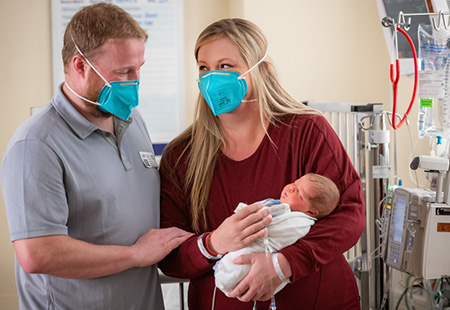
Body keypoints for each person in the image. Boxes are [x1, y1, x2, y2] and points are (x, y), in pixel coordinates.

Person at [158, 18, 365, 310]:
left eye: (226, 66)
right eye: (204, 68)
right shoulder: (182, 156)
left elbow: (350, 215)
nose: (211, 78)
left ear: (262, 70)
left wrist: (283, 265)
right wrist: (214, 243)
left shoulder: (307, 132)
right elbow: (171, 256)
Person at [0, 3, 191, 309]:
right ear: (80, 65)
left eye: (140, 67)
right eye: (123, 72)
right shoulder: (35, 144)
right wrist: (136, 255)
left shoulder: (131, 119)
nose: (135, 81)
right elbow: (38, 254)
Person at [214, 173, 340, 296]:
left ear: (311, 212)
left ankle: (225, 275)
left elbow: (272, 233)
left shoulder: (300, 223)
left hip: (259, 258)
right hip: (245, 253)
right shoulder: (281, 207)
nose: (291, 188)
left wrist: (251, 219)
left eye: (299, 194)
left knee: (237, 266)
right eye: (295, 183)